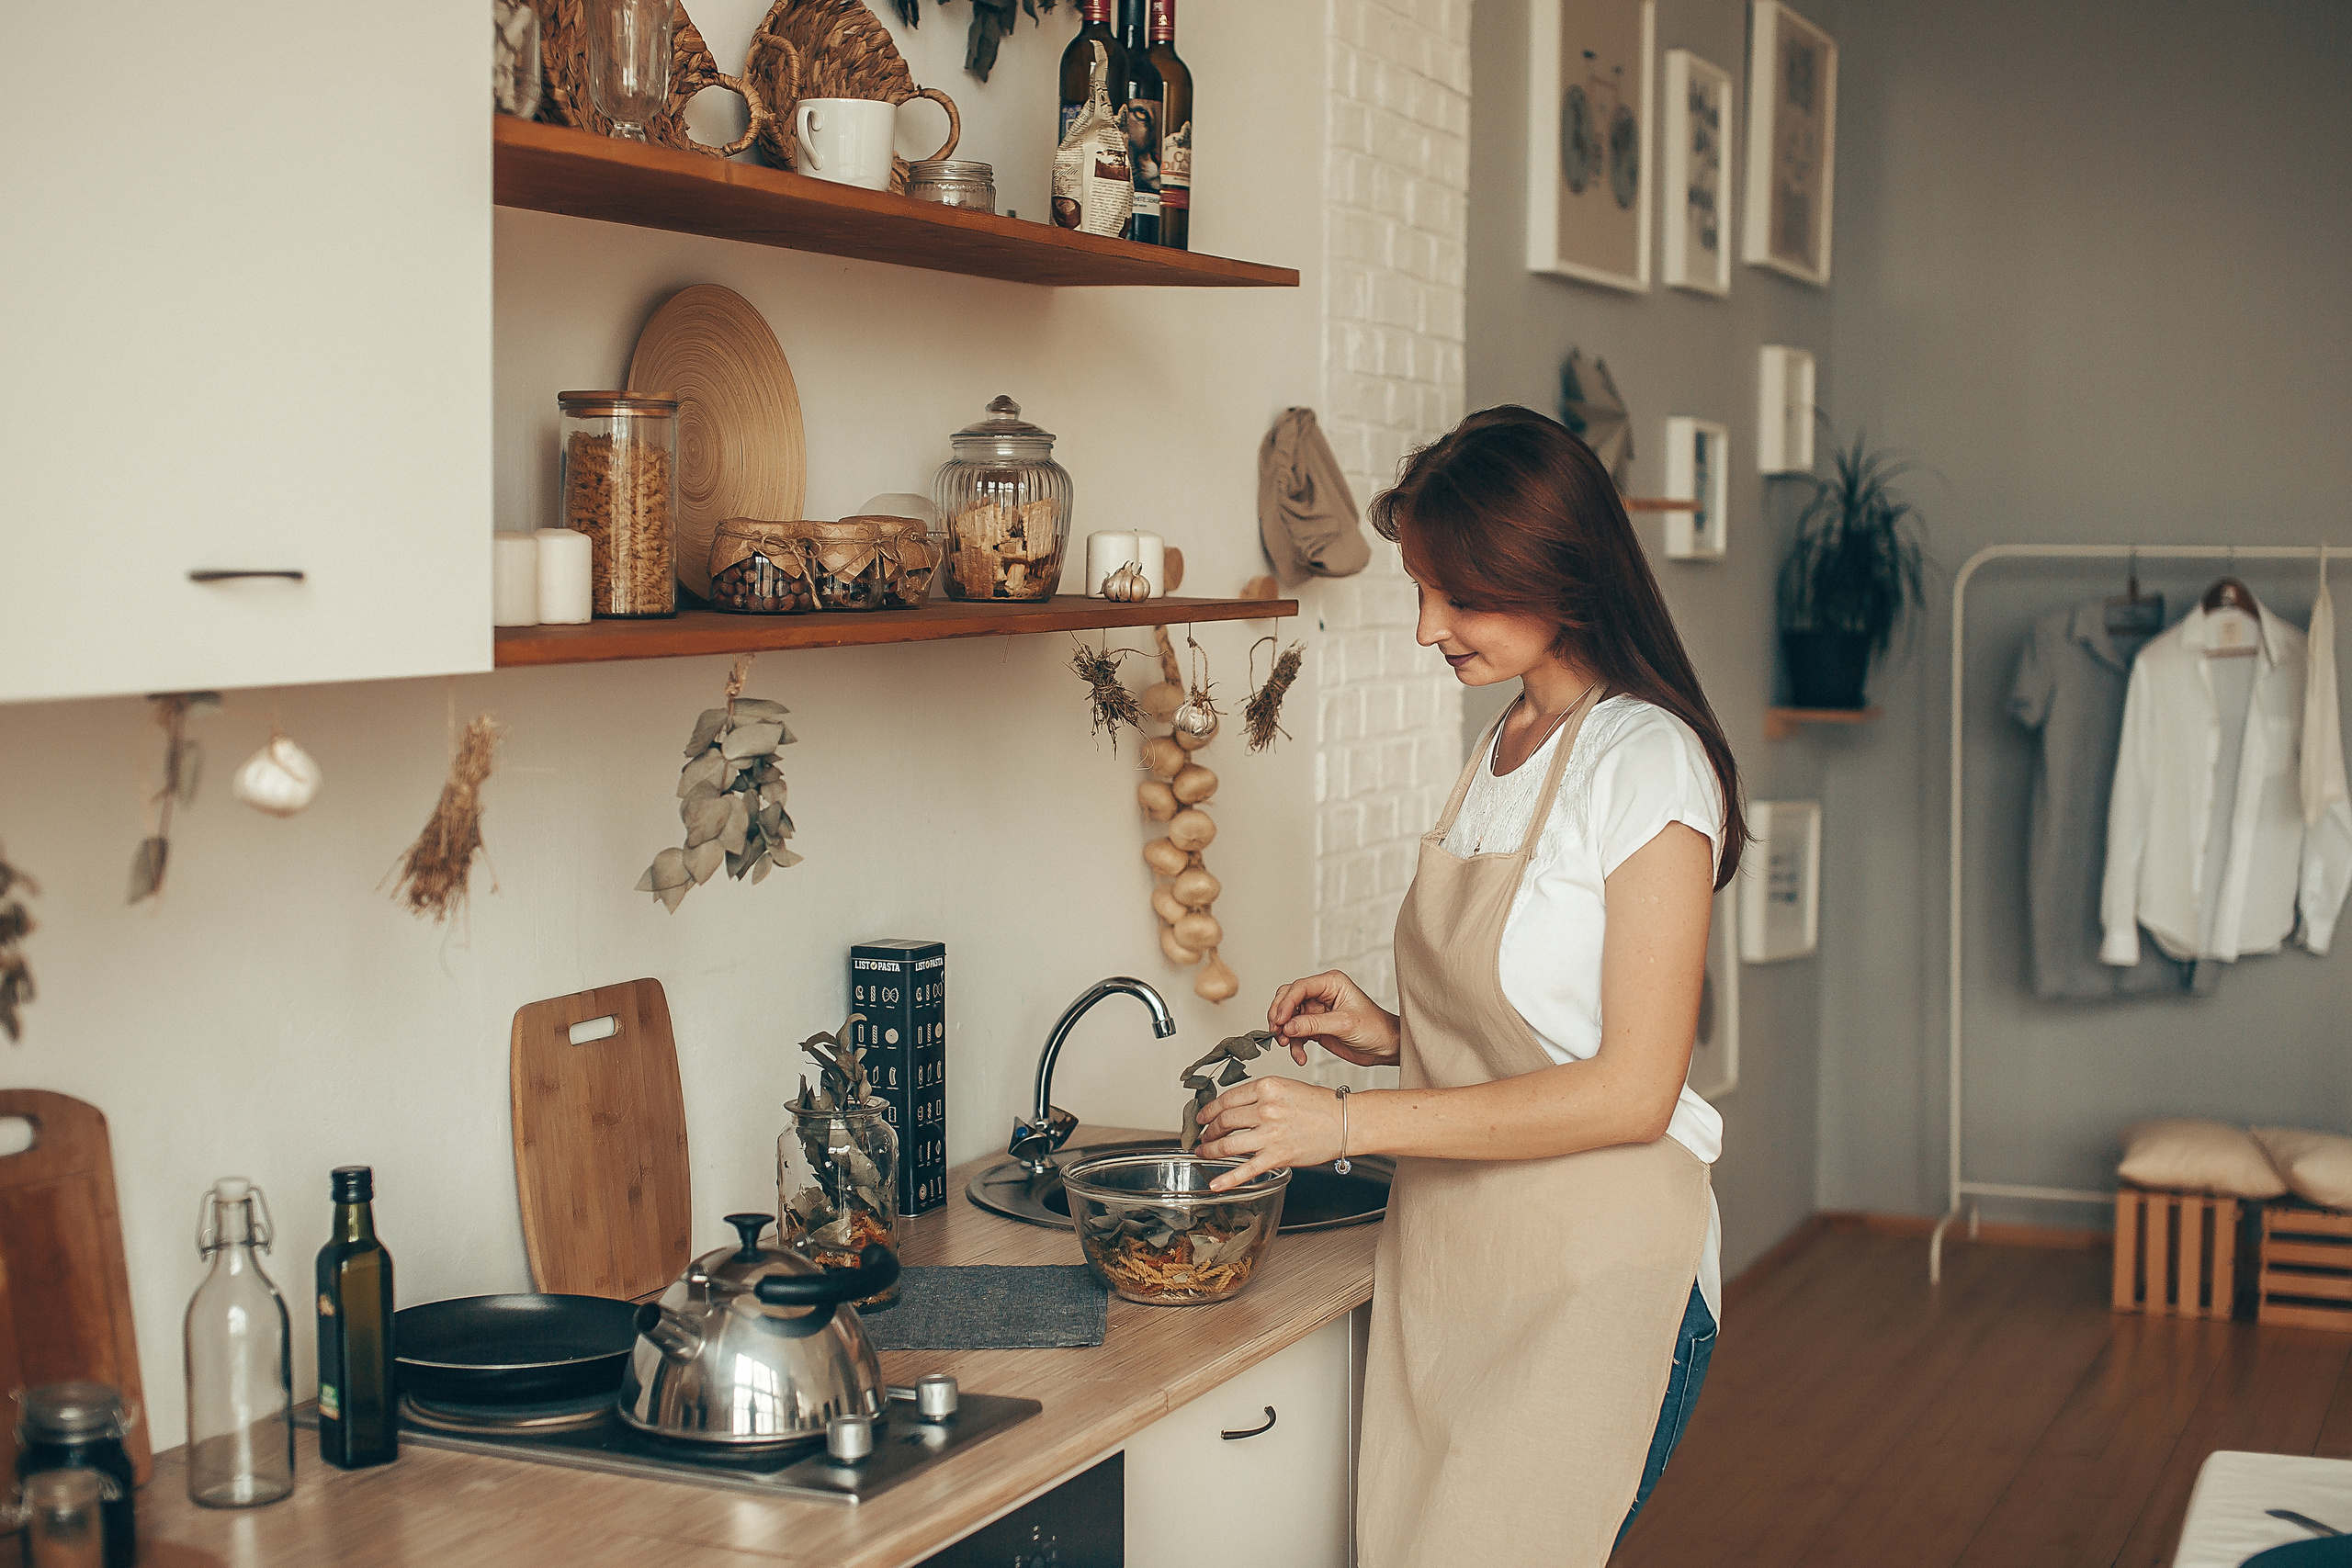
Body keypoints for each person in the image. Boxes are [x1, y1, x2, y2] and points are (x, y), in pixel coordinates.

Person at [1194, 406, 1747, 1566]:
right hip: (1457, 1256)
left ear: (1558, 574)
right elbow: (1540, 1032)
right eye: (1419, 591)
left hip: (1594, 1273)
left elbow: (1630, 1093)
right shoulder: (1504, 741)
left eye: (1459, 597)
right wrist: (1391, 1031)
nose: (1425, 629)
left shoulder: (1644, 762)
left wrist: (1341, 1124)